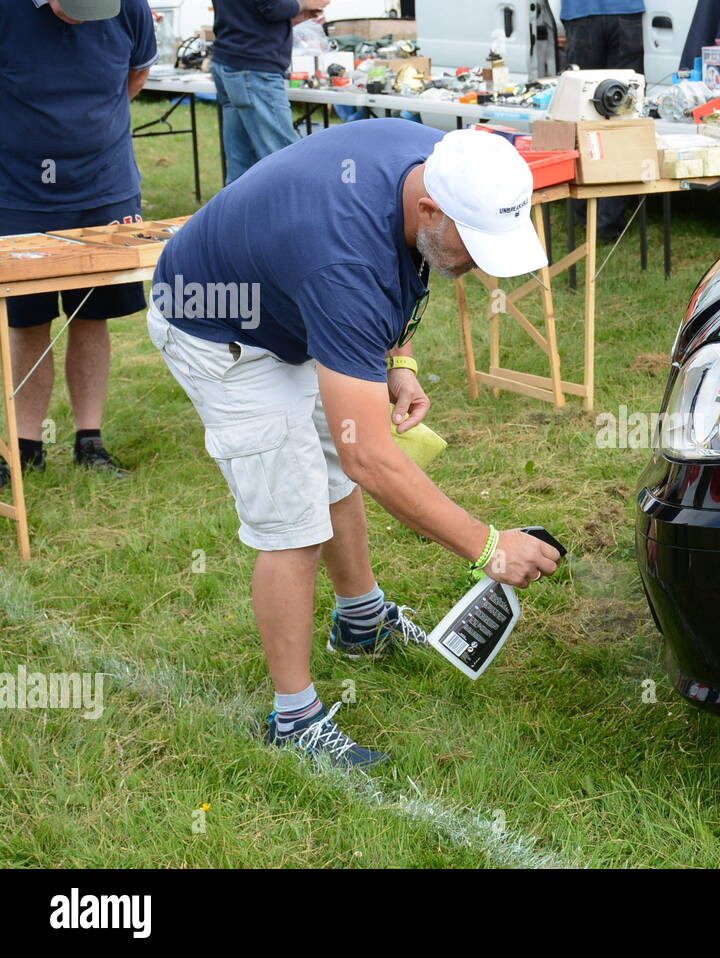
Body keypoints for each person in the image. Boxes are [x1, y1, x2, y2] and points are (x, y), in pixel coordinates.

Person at [149, 121, 563, 768]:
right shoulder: (342, 261)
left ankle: (361, 622)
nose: (481, 266)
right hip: (218, 328)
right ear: (430, 207)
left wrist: (400, 358)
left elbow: (400, 269)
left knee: (332, 468)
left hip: (289, 303)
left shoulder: (438, 160)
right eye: (474, 246)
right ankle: (295, 723)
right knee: (294, 523)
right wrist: (488, 548)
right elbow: (370, 453)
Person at [0, 0, 157, 490]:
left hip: (105, 189)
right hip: (19, 192)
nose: (87, 16)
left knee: (93, 315)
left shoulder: (127, 6)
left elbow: (137, 76)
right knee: (28, 320)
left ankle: (90, 441)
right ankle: (27, 447)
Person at [210, 0, 330, 183]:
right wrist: (305, 3)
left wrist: (294, 12)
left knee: (243, 162)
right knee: (284, 156)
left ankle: (238, 210)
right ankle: (295, 209)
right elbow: (272, 6)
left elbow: (252, 11)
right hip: (254, 66)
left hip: (231, 59)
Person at [560, 0, 645, 241]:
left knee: (582, 114)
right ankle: (608, 223)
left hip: (582, 12)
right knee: (623, 114)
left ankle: (587, 213)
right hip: (625, 12)